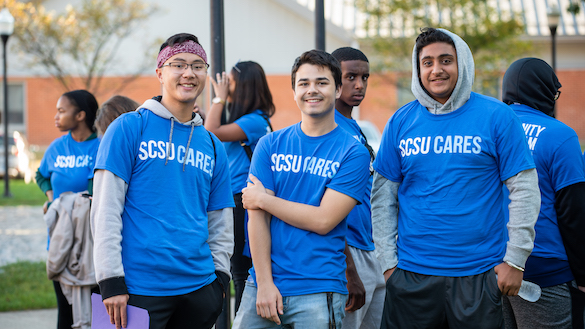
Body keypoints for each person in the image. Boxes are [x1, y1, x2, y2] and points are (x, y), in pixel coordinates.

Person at [371, 27, 541, 328]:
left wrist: (515, 259)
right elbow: (383, 197)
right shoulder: (400, 120)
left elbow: (524, 188)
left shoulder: (497, 116)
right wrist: (388, 266)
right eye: (428, 62)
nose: (437, 69)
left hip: (478, 275)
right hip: (411, 276)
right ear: (418, 68)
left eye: (446, 60)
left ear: (462, 62)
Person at [91, 33, 234, 329]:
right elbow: (105, 208)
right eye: (177, 64)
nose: (188, 73)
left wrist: (220, 280)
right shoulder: (130, 127)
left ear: (205, 73)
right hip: (136, 290)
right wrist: (110, 280)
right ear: (160, 73)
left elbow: (219, 218)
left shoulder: (211, 143)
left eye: (197, 65)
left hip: (199, 289)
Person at [231, 49, 370, 328]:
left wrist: (263, 200)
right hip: (263, 285)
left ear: (337, 88)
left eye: (321, 82)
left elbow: (323, 220)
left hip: (319, 289)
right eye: (304, 83)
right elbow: (256, 219)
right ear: (294, 91)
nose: (312, 90)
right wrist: (265, 283)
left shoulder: (353, 152)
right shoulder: (271, 145)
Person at [501, 57, 585, 329]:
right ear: (544, 91)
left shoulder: (491, 130)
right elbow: (574, 212)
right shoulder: (560, 136)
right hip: (547, 270)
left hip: (492, 266)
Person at [205, 60, 275, 313]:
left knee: (239, 270)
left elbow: (211, 131)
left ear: (244, 87)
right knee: (236, 269)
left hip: (241, 201)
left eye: (230, 84)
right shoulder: (248, 121)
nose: (226, 88)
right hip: (233, 199)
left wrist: (217, 100)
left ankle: (244, 318)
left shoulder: (255, 121)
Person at [36, 89, 100, 329]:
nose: (56, 116)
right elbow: (40, 175)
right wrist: (53, 198)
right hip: (61, 242)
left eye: (62, 111)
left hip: (91, 244)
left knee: (95, 314)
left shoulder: (101, 146)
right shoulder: (56, 147)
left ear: (81, 115)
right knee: (65, 313)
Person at [331, 47, 385, 329]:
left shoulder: (354, 127)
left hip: (371, 249)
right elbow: (321, 207)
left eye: (364, 77)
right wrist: (349, 268)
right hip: (348, 254)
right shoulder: (327, 129)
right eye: (350, 76)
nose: (359, 84)